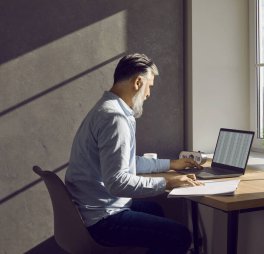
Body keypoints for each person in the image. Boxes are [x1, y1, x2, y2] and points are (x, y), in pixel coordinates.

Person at [65, 53, 203, 254]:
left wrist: (172, 165)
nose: (148, 94)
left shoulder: (106, 109)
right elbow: (118, 182)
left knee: (155, 210)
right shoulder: (115, 118)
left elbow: (125, 163)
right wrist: (169, 182)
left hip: (91, 209)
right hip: (102, 219)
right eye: (150, 86)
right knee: (179, 236)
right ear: (138, 82)